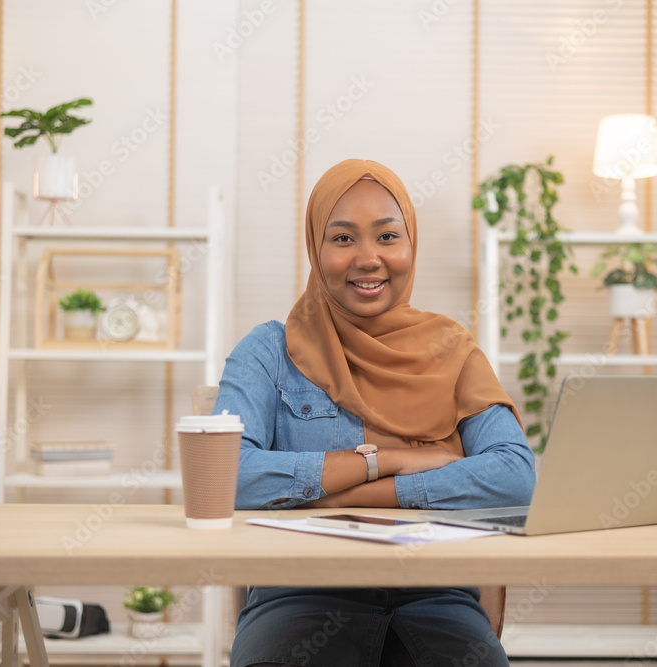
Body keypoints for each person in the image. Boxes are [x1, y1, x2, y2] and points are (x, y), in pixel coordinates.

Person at [214, 158, 535, 667]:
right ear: (316, 249)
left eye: (387, 237)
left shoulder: (452, 350)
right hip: (300, 596)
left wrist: (338, 500)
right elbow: (222, 474)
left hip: (436, 596)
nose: (368, 258)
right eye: (343, 239)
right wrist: (383, 460)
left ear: (410, 246)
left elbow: (518, 478)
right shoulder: (269, 351)